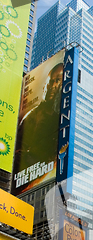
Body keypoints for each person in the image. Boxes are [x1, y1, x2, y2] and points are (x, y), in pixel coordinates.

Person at [12, 62, 64, 192]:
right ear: (44, 85)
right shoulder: (32, 115)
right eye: (50, 81)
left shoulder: (61, 118)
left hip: (42, 180)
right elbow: (16, 148)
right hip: (23, 179)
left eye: (57, 80)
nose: (53, 85)